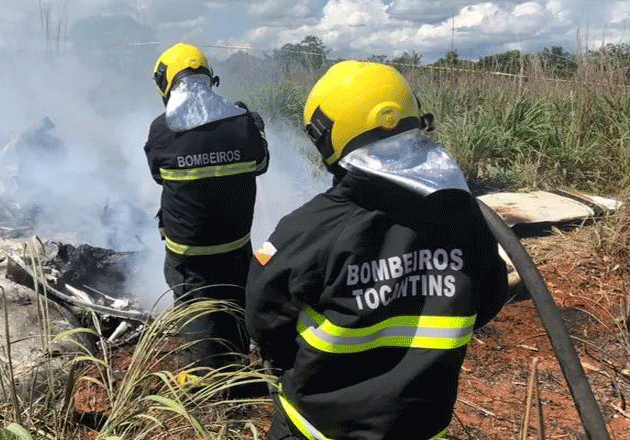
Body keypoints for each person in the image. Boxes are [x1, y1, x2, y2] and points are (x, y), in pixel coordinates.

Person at [245, 60, 509, 440]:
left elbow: (265, 320)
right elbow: (488, 300)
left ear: (327, 136)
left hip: (318, 428)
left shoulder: (310, 228)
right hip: (420, 427)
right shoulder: (465, 217)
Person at [143, 42, 269, 372]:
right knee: (233, 302)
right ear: (209, 78)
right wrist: (257, 129)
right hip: (235, 244)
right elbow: (262, 163)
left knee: (196, 309)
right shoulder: (242, 123)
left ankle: (203, 386)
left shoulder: (161, 130)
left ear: (165, 83)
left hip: (188, 251)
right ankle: (236, 370)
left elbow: (158, 176)